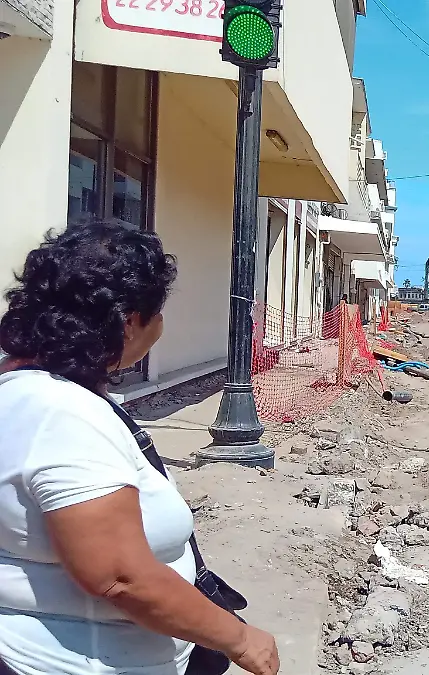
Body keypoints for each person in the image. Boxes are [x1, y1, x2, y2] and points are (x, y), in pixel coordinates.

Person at [0, 221, 280, 675]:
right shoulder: (60, 416)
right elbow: (120, 577)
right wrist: (240, 639)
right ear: (129, 322)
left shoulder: (37, 388)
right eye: (159, 313)